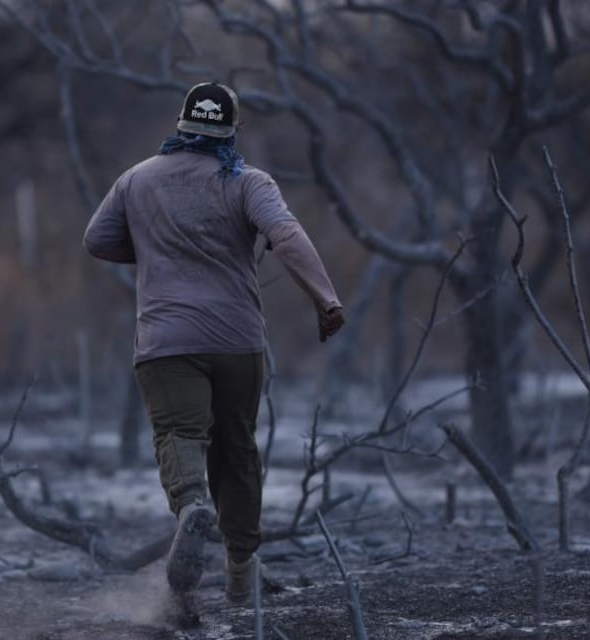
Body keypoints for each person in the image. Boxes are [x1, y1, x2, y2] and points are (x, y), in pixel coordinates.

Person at [82, 82, 344, 603]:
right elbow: (287, 236)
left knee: (179, 433)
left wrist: (155, 247)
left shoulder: (136, 180)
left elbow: (97, 239)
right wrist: (326, 300)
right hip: (236, 340)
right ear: (232, 132)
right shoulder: (249, 182)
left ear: (181, 123)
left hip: (165, 340)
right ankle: (240, 574)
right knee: (237, 448)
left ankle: (191, 505)